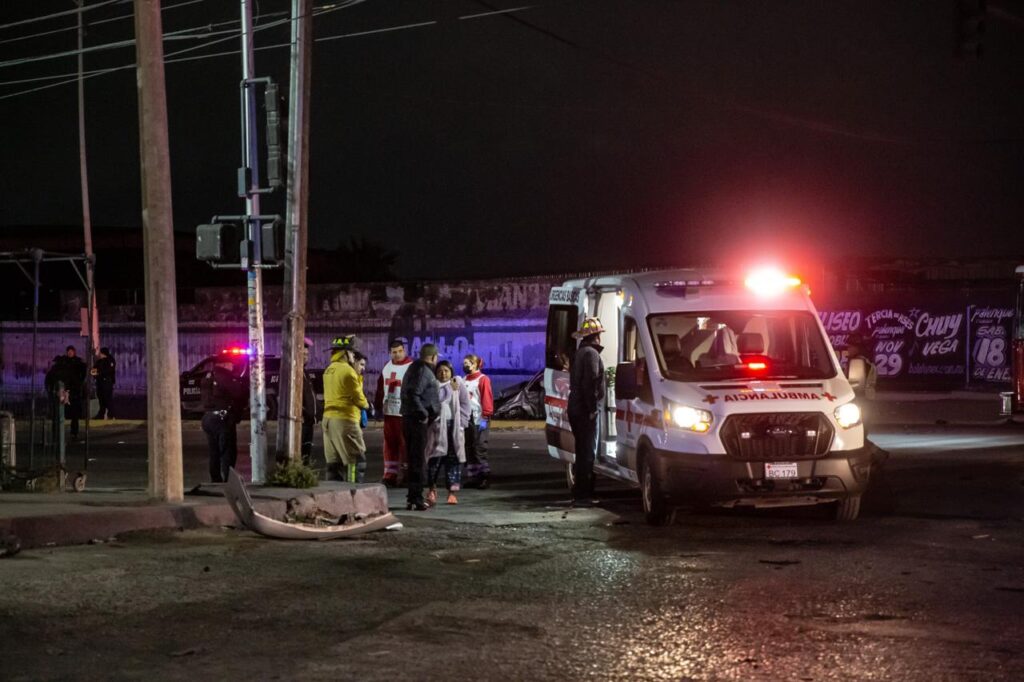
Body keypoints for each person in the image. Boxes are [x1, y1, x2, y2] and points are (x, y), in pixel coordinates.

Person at [568, 317, 606, 507]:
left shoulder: (580, 352)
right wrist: (592, 408)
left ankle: (580, 492)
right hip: (584, 410)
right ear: (596, 336)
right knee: (587, 454)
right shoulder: (591, 354)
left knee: (581, 451)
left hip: (575, 407)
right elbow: (590, 383)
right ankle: (584, 495)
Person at [322, 336, 369, 482]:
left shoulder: (329, 370)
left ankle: (333, 501)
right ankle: (354, 497)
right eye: (352, 353)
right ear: (345, 353)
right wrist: (368, 406)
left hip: (328, 421)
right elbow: (358, 398)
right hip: (345, 420)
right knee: (356, 462)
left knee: (333, 466)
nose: (354, 356)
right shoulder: (348, 371)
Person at [399, 343, 441, 511]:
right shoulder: (423, 371)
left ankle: (412, 497)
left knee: (414, 459)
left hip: (411, 419)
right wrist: (423, 413)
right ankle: (416, 498)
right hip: (416, 421)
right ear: (433, 357)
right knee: (417, 460)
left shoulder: (413, 368)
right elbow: (413, 393)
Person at [425, 360, 471, 506]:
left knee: (453, 460)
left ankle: (452, 492)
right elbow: (437, 401)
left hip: (454, 427)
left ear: (451, 371)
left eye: (446, 370)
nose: (443, 373)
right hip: (437, 428)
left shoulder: (458, 383)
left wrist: (463, 423)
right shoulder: (433, 386)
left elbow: (465, 404)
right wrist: (450, 389)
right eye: (440, 371)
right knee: (434, 460)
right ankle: (432, 489)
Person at [374, 338, 414, 487]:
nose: (397, 355)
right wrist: (378, 407)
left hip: (404, 413)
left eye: (400, 351)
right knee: (390, 445)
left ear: (404, 351)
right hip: (389, 412)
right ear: (389, 353)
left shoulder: (412, 366)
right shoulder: (386, 367)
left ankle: (407, 475)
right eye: (394, 352)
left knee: (405, 445)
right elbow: (380, 388)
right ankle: (390, 475)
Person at [199, 358, 245, 482]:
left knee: (214, 451)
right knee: (227, 451)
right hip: (222, 419)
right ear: (224, 364)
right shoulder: (224, 377)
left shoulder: (208, 376)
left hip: (208, 418)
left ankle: (215, 479)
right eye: (231, 364)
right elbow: (238, 392)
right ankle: (229, 480)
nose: (233, 367)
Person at [462, 354, 494, 489]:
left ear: (475, 364)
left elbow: (487, 398)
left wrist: (485, 417)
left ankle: (484, 476)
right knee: (468, 448)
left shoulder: (483, 379)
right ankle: (473, 476)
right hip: (467, 419)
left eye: (468, 363)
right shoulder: (463, 380)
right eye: (464, 363)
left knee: (480, 447)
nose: (465, 366)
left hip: (480, 418)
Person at [45, 345, 87, 440]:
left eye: (71, 351)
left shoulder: (76, 364)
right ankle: (62, 433)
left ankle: (69, 433)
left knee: (71, 414)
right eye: (69, 351)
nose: (70, 353)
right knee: (65, 413)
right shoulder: (63, 368)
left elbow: (80, 376)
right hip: (66, 392)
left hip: (70, 392)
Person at [300, 338, 319, 467]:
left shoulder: (304, 372)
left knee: (306, 452)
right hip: (301, 422)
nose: (306, 357)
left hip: (308, 421)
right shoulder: (295, 372)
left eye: (307, 355)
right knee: (301, 452)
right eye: (303, 354)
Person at [92, 347, 116, 419]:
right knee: (101, 398)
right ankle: (101, 413)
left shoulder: (110, 360)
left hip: (107, 382)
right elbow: (94, 370)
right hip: (100, 382)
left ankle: (111, 414)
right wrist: (95, 375)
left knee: (107, 398)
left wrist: (99, 374)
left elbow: (109, 371)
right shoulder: (99, 361)